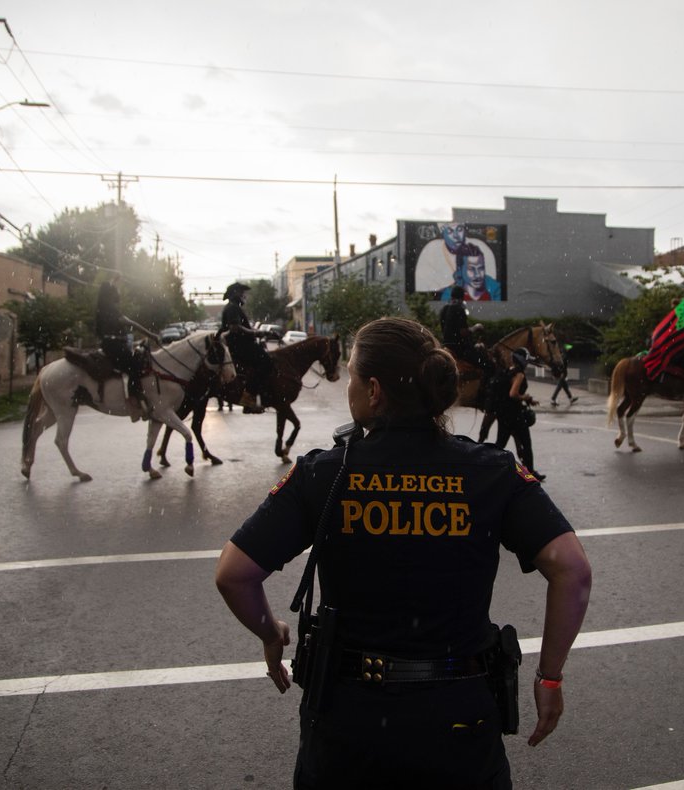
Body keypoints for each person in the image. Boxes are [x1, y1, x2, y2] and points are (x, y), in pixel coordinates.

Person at [214, 317, 591, 789]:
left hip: (349, 722)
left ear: (373, 391)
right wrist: (550, 677)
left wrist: (271, 633)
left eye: (351, 377)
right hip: (459, 721)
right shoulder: (491, 470)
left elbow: (234, 574)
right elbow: (572, 569)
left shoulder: (322, 473)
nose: (347, 387)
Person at [96, 272, 158, 419]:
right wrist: (151, 335)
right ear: (110, 295)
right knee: (134, 365)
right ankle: (134, 400)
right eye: (116, 291)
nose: (118, 292)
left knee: (135, 360)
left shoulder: (104, 307)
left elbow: (107, 287)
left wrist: (114, 280)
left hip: (112, 344)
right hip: (114, 346)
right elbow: (131, 323)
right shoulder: (110, 309)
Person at [220, 281, 274, 413]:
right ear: (234, 294)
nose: (244, 295)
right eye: (241, 292)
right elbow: (235, 327)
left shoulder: (234, 307)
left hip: (242, 344)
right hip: (240, 346)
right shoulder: (232, 308)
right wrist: (256, 332)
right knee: (265, 362)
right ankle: (249, 401)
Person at [491, 347, 545, 481]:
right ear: (522, 361)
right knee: (526, 443)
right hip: (515, 415)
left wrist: (529, 400)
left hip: (503, 413)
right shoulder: (519, 374)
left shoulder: (508, 370)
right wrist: (525, 397)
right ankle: (530, 472)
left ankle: (489, 467)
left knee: (499, 444)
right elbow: (513, 393)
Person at [439, 285, 493, 375]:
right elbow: (463, 332)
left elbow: (444, 329)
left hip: (446, 346)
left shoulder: (444, 309)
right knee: (488, 365)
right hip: (460, 349)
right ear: (462, 296)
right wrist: (476, 327)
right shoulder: (459, 309)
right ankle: (484, 388)